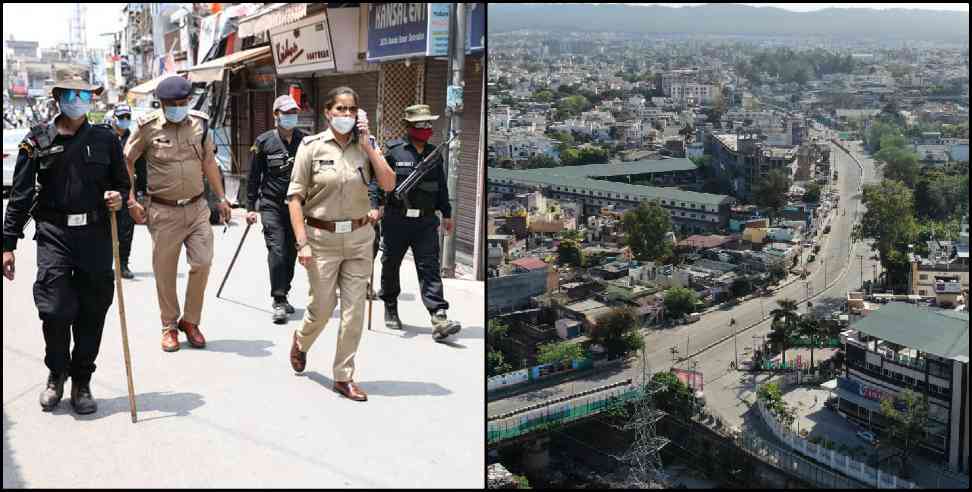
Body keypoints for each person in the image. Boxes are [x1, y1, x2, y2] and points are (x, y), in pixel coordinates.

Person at [2, 74, 130, 415]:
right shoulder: (37, 139)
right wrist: (7, 243)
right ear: (58, 97)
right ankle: (56, 372)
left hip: (95, 234)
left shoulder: (106, 139)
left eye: (84, 94)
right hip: (54, 233)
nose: (78, 99)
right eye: (71, 93)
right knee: (55, 309)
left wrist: (120, 197)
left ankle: (82, 380)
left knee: (92, 310)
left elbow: (123, 184)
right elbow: (21, 193)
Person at [287, 86, 395, 402]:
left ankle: (343, 375)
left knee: (354, 311)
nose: (346, 115)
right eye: (341, 109)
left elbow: (388, 184)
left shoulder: (367, 146)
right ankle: (302, 340)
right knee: (322, 307)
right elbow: (295, 199)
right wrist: (302, 243)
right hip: (321, 239)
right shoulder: (311, 147)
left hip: (360, 238)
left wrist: (369, 146)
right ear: (328, 112)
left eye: (352, 110)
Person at [124, 75, 232, 352]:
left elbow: (208, 161)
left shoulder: (201, 124)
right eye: (172, 104)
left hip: (197, 208)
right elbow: (127, 159)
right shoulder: (147, 128)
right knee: (165, 271)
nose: (178, 107)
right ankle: (169, 326)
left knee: (203, 262)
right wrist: (131, 198)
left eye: (183, 102)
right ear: (161, 104)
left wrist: (222, 198)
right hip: (162, 210)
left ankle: (191, 321)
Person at [371, 104, 461, 342]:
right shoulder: (393, 152)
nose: (426, 128)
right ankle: (390, 303)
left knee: (429, 266)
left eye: (429, 123)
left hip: (425, 221)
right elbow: (376, 182)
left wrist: (447, 214)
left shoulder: (434, 154)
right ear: (409, 126)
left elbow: (441, 187)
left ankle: (438, 315)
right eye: (421, 124)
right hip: (396, 220)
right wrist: (374, 207)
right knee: (391, 264)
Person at [246, 95, 305, 323]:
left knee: (291, 253)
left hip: (297, 207)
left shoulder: (305, 141)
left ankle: (284, 291)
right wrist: (251, 207)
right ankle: (278, 300)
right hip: (271, 205)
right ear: (276, 115)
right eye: (286, 113)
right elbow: (253, 178)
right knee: (278, 250)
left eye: (294, 113)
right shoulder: (263, 142)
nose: (291, 117)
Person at [106, 104, 147, 279]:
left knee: (126, 229)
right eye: (121, 117)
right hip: (107, 189)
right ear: (114, 117)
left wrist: (142, 192)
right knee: (104, 230)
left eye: (126, 117)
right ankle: (105, 264)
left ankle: (123, 263)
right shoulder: (104, 136)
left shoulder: (133, 138)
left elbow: (141, 166)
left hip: (127, 191)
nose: (124, 120)